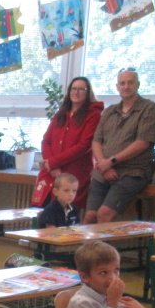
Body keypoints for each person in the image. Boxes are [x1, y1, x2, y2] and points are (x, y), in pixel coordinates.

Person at [85, 68, 155, 224]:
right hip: (103, 171)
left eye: (130, 83)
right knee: (90, 216)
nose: (126, 86)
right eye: (122, 83)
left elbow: (143, 143)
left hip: (132, 172)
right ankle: (84, 242)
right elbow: (96, 141)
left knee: (104, 214)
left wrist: (111, 161)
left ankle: (105, 243)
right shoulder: (109, 111)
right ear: (117, 87)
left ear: (138, 85)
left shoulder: (149, 109)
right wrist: (103, 164)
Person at [40, 76, 103, 214]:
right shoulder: (61, 113)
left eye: (81, 89)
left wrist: (54, 162)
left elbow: (84, 145)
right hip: (51, 172)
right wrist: (51, 165)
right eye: (73, 89)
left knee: (66, 216)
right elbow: (46, 141)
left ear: (88, 92)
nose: (76, 92)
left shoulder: (94, 115)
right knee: (43, 215)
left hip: (73, 173)